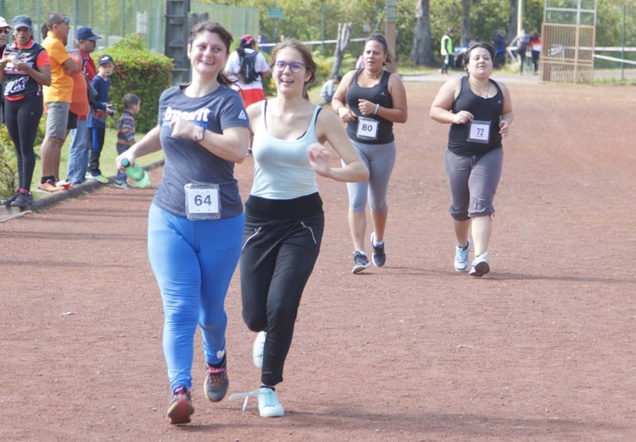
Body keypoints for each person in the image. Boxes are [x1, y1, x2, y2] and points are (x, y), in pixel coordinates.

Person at [115, 21, 250, 426]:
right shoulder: (170, 96)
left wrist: (198, 131)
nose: (208, 54)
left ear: (225, 58)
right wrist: (133, 151)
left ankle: (216, 359)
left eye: (217, 50)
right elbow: (163, 130)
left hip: (221, 221)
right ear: (189, 50)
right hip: (169, 216)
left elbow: (239, 149)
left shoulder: (229, 101)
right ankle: (179, 391)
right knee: (179, 309)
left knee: (210, 313)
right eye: (202, 46)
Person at [233, 39, 368, 418]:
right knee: (255, 317)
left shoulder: (320, 118)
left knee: (282, 304)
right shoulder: (254, 112)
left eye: (295, 66)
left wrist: (330, 171)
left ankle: (267, 387)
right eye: (280, 65)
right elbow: (230, 150)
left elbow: (360, 168)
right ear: (270, 70)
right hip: (258, 220)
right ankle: (266, 333)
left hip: (303, 221)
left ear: (308, 74)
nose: (286, 72)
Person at [429, 42, 513, 277]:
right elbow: (435, 110)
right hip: (458, 153)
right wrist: (453, 117)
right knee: (460, 209)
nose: (482, 61)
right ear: (467, 65)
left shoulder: (501, 88)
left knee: (481, 204)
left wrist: (507, 122)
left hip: (490, 152)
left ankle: (480, 257)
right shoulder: (456, 85)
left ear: (492, 64)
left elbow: (508, 111)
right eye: (476, 58)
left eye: (486, 58)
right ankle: (462, 247)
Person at [330, 34, 408, 273]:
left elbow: (402, 115)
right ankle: (359, 252)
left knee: (377, 202)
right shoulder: (351, 77)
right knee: (356, 199)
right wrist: (341, 109)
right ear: (362, 55)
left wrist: (377, 109)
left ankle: (379, 241)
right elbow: (335, 99)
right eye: (367, 52)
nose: (371, 56)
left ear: (385, 57)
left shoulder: (392, 81)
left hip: (382, 148)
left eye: (376, 52)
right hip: (353, 145)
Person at [0, 15, 51, 208]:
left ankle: (26, 191)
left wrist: (27, 69)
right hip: (10, 101)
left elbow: (47, 80)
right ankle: (19, 190)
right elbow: (2, 79)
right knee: (18, 148)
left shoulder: (39, 52)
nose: (22, 34)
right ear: (14, 32)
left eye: (25, 30)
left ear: (31, 31)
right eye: (18, 30)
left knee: (26, 147)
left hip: (30, 101)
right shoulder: (9, 49)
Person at [65, 26, 100, 186]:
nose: (94, 43)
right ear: (81, 41)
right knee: (79, 143)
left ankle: (78, 176)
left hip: (84, 106)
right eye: (91, 41)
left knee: (83, 143)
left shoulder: (85, 57)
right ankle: (74, 177)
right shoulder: (77, 58)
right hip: (78, 106)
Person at [87, 54, 116, 184]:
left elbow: (103, 100)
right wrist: (103, 107)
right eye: (104, 66)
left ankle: (94, 169)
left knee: (100, 143)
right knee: (95, 145)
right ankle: (93, 170)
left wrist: (109, 110)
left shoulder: (107, 81)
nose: (107, 69)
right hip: (93, 119)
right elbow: (90, 100)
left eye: (109, 66)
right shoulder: (97, 81)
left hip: (101, 119)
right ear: (98, 67)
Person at [224, 34, 270, 108]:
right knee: (257, 116)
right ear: (252, 44)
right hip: (256, 89)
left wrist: (236, 76)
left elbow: (226, 73)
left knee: (238, 116)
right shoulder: (258, 55)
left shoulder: (234, 55)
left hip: (238, 90)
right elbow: (266, 73)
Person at [114, 93, 141, 189]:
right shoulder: (128, 117)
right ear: (134, 106)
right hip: (124, 145)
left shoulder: (125, 115)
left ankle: (120, 180)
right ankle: (120, 180)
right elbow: (126, 129)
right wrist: (133, 141)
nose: (139, 108)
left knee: (123, 162)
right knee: (125, 163)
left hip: (122, 144)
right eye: (139, 105)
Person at [0, 16, 10, 127]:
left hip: (7, 99)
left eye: (5, 31)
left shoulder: (10, 51)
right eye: (0, 31)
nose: (3, 34)